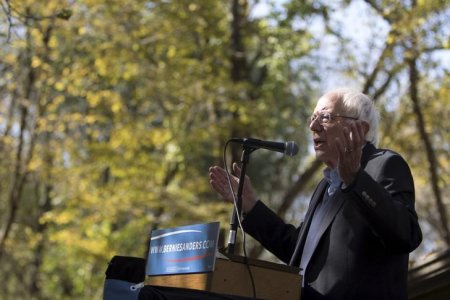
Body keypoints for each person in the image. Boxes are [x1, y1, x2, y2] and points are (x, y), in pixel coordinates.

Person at [209, 88, 422, 300]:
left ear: (359, 128)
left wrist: (357, 180)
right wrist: (251, 205)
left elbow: (405, 234)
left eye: (325, 117)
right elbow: (298, 250)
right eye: (313, 118)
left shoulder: (385, 165)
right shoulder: (324, 186)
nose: (313, 126)